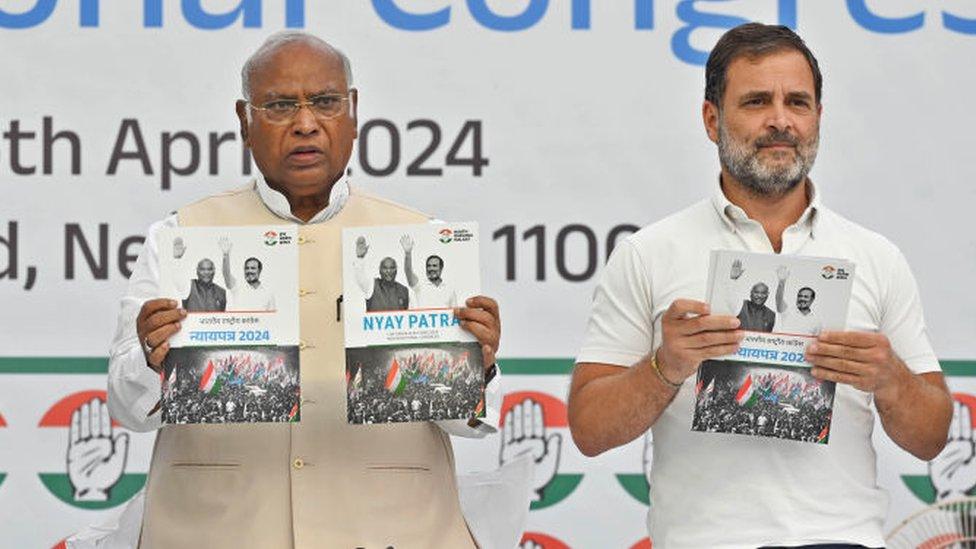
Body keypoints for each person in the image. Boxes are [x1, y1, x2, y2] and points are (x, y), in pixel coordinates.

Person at [107, 31, 502, 548]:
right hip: (218, 529)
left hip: (390, 532)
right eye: (278, 105)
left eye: (325, 102)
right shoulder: (180, 238)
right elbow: (124, 404)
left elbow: (472, 423)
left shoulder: (423, 240)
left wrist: (478, 365)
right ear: (244, 122)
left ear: (353, 112)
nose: (305, 123)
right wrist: (150, 359)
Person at [567, 23, 952, 548]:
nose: (780, 121)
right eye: (755, 102)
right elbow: (589, 430)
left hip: (842, 539)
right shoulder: (649, 253)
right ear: (711, 119)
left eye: (798, 102)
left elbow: (931, 438)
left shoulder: (875, 257)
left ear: (818, 117)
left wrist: (890, 379)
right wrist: (667, 366)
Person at [352, 236, 410, 311]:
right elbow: (360, 277)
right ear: (379, 270)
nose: (388, 271)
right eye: (385, 268)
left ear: (396, 270)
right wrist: (359, 258)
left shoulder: (404, 290)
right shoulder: (371, 286)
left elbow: (406, 316)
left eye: (392, 268)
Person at [218, 236, 276, 311]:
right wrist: (226, 255)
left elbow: (272, 318)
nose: (249, 271)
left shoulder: (268, 293)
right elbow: (226, 274)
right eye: (247, 268)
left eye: (253, 268)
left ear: (259, 270)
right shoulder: (237, 286)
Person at [401, 233, 458, 308]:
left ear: (441, 268)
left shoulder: (449, 290)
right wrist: (408, 253)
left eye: (434, 266)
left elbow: (455, 313)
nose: (431, 269)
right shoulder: (419, 285)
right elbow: (408, 271)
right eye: (429, 266)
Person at [775, 265, 822, 335]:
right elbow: (779, 299)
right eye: (800, 296)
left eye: (806, 297)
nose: (802, 298)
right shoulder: (788, 311)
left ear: (812, 300)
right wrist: (782, 281)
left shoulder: (816, 321)